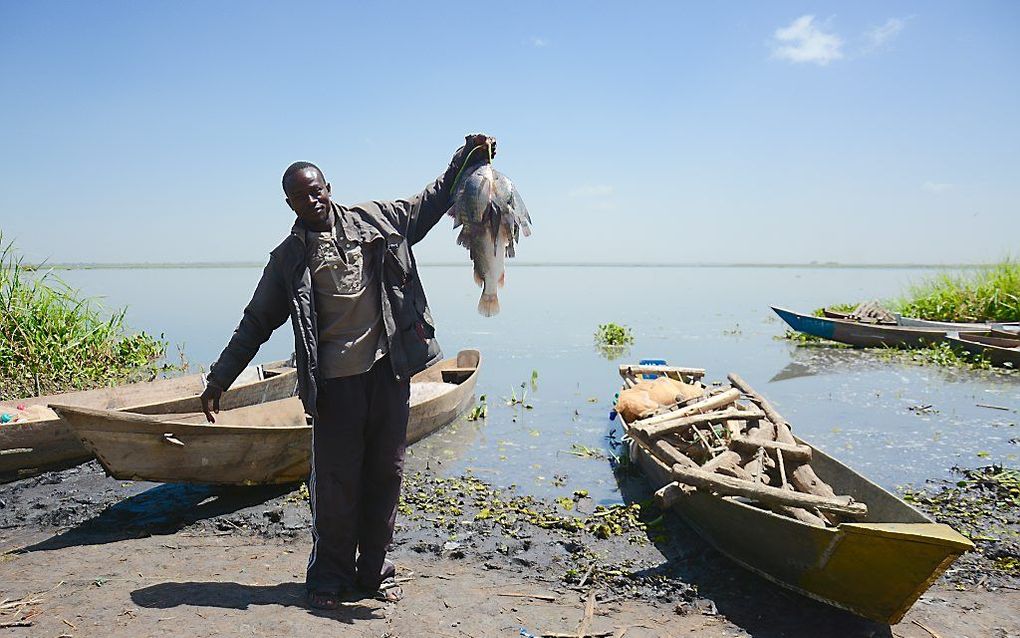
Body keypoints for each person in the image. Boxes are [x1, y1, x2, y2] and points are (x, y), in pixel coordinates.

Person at [199, 133, 496, 609]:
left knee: (387, 475)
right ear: (289, 202)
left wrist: (467, 158)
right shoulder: (288, 259)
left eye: (316, 190)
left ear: (329, 187)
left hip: (388, 375)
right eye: (300, 195)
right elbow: (256, 320)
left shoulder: (377, 220)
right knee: (335, 485)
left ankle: (373, 572)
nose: (311, 199)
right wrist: (219, 379)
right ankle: (328, 579)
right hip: (334, 387)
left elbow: (432, 199)